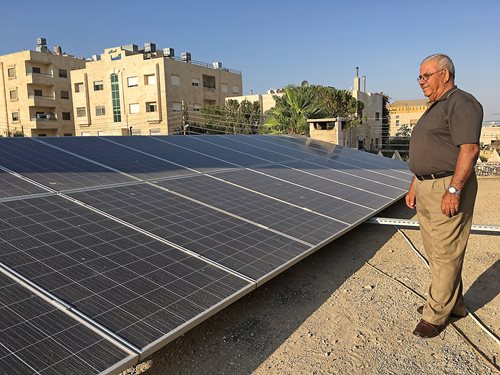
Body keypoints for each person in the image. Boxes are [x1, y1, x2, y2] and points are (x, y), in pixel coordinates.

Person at [405, 53, 483, 338]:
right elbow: (430, 148)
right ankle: (454, 304)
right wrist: (415, 183)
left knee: (446, 252)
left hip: (447, 185)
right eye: (420, 77)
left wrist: (454, 189)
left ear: (445, 74)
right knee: (437, 252)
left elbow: (469, 149)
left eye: (426, 76)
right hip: (426, 186)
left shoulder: (462, 103)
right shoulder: (435, 106)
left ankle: (435, 314)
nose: (421, 82)